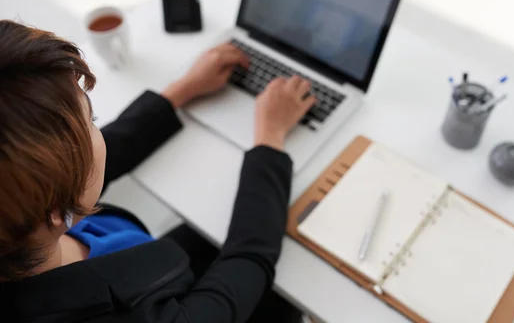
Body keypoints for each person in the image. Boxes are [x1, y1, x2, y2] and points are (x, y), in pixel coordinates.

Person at [0, 19, 317, 323]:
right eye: (92, 122)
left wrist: (181, 90)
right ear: (55, 209)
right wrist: (270, 140)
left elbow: (82, 162)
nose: (100, 131)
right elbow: (249, 260)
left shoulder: (20, 212)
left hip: (157, 262)